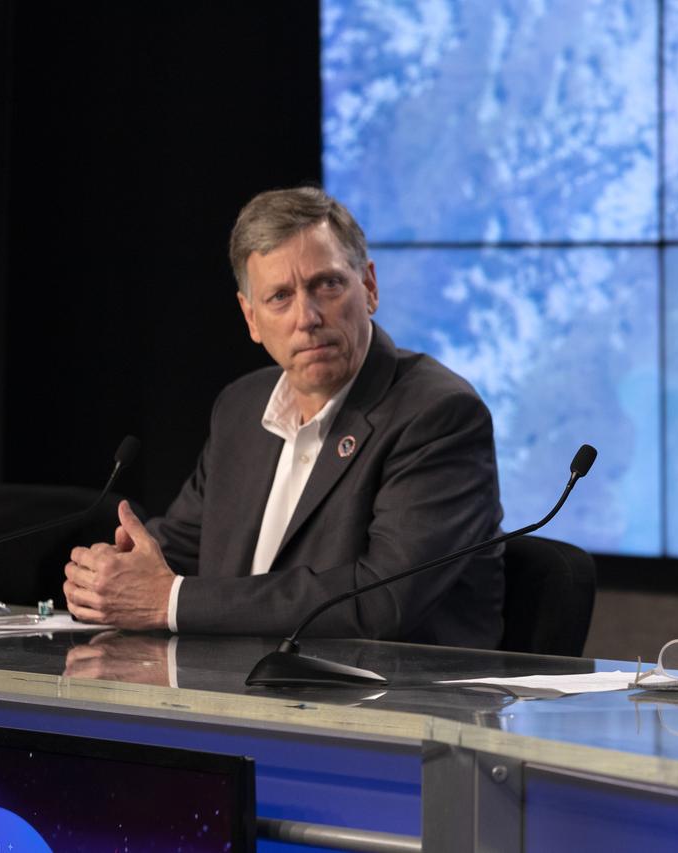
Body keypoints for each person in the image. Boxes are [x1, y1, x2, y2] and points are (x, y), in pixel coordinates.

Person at [64, 187, 505, 647]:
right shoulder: (241, 407)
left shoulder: (438, 414)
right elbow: (181, 548)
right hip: (243, 694)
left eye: (327, 285)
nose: (307, 317)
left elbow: (381, 601)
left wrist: (168, 600)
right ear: (251, 318)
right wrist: (110, 575)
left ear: (369, 287)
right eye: (279, 297)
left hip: (393, 704)